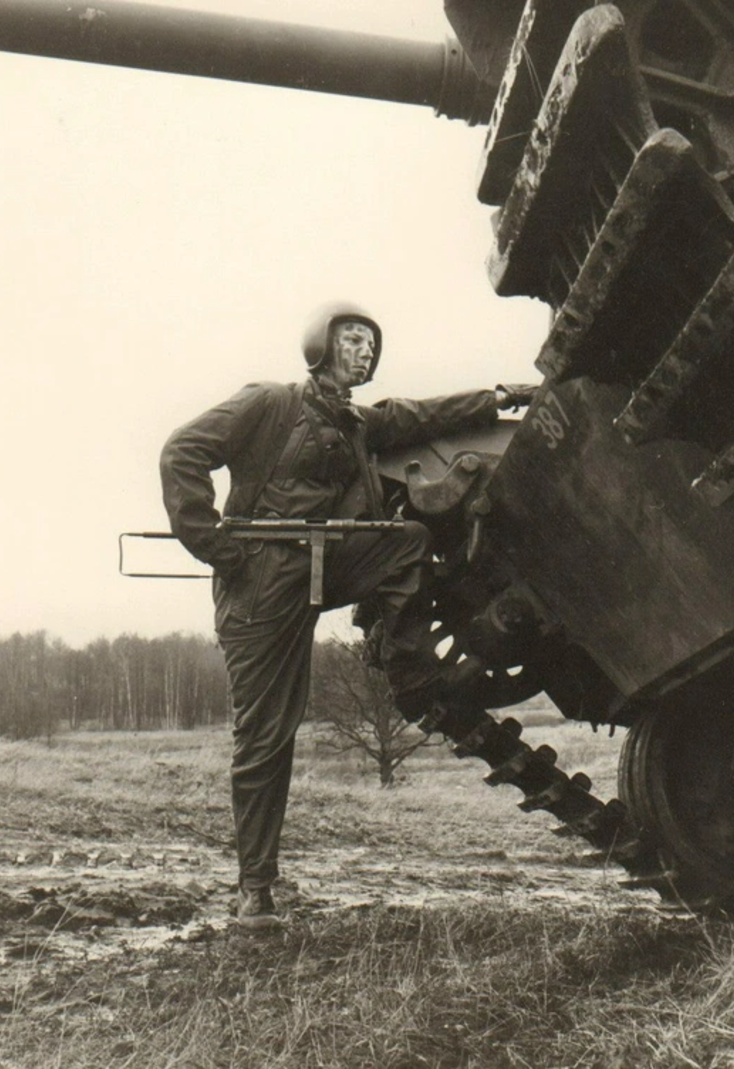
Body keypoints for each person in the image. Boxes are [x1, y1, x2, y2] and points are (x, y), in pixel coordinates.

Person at [160, 301, 535, 930]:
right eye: (352, 339)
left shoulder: (358, 423)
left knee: (408, 542)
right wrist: (217, 548)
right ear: (321, 346)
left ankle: (410, 673)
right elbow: (182, 452)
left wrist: (496, 397)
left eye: (370, 343)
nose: (364, 351)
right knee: (265, 735)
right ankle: (256, 889)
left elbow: (423, 414)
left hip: (324, 564)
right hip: (260, 583)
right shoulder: (271, 404)